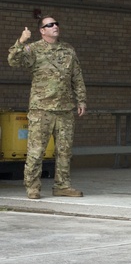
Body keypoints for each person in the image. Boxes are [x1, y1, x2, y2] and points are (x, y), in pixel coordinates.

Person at [8, 16, 87, 199]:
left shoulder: (68, 50)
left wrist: (81, 100)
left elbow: (77, 77)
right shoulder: (33, 49)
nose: (55, 26)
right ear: (42, 30)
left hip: (65, 109)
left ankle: (62, 185)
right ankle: (33, 187)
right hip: (41, 109)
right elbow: (13, 60)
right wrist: (21, 41)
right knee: (36, 151)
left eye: (56, 23)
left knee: (64, 151)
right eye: (50, 25)